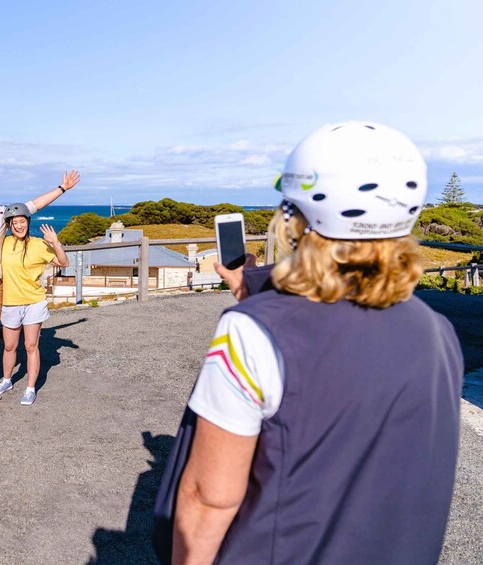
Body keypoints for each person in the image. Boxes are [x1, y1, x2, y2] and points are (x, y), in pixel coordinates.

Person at [171, 122, 464, 564]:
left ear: (296, 216)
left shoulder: (249, 333)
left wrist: (253, 310)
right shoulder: (438, 332)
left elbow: (208, 499)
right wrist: (250, 291)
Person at [0, 168, 80, 412]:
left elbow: (34, 204)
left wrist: (62, 188)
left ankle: (10, 384)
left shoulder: (5, 213)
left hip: (3, 289)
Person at [0, 205, 68, 405]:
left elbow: (64, 262)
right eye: (14, 223)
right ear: (9, 225)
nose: (19, 226)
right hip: (10, 302)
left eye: (22, 221)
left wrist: (56, 242)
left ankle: (30, 388)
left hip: (34, 301)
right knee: (9, 346)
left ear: (28, 222)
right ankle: (7, 380)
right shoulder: (4, 243)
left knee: (31, 346)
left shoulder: (39, 245)